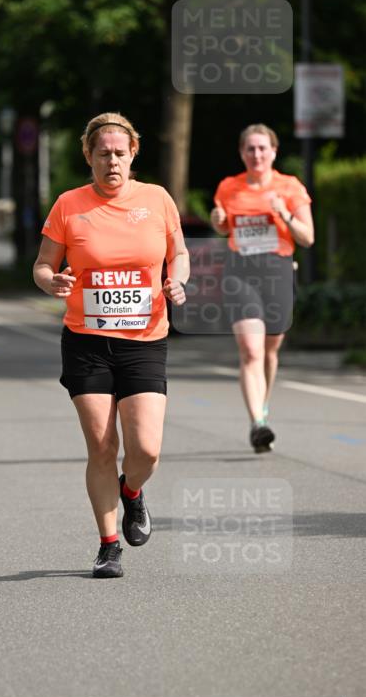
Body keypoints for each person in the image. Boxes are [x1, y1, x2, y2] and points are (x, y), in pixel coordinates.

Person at [33, 113, 189, 579]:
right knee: (101, 447)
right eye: (103, 154)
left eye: (120, 153)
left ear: (133, 153)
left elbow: (178, 252)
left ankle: (133, 492)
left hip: (143, 339)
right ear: (89, 156)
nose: (112, 161)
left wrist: (175, 281)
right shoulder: (68, 205)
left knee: (146, 450)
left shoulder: (157, 199)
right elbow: (42, 265)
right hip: (87, 341)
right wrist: (52, 281)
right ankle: (107, 546)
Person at [210, 124, 314, 453]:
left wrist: (283, 213)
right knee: (251, 350)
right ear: (242, 153)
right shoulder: (229, 186)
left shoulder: (290, 187)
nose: (256, 154)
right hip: (241, 271)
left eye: (262, 148)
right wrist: (218, 220)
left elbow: (307, 237)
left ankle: (263, 408)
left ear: (274, 152)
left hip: (277, 269)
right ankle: (258, 423)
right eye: (250, 149)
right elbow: (223, 225)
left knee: (269, 350)